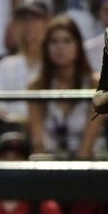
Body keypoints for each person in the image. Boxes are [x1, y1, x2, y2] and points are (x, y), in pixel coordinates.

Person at [28, 15, 104, 158]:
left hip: (90, 162)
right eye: (54, 42)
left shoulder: (96, 84)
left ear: (78, 46)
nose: (60, 48)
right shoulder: (36, 86)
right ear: (46, 47)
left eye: (67, 41)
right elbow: (37, 141)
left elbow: (87, 146)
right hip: (48, 163)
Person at [0, 0, 50, 139]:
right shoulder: (5, 65)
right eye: (24, 19)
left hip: (49, 138)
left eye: (35, 18)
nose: (29, 25)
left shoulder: (56, 63)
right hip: (13, 138)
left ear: (48, 23)